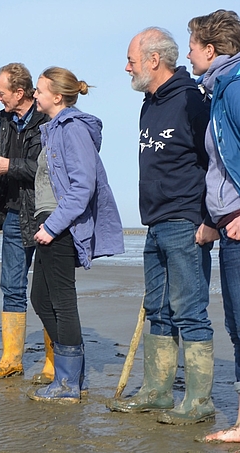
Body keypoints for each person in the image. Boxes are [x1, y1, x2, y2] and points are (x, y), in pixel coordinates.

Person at [107, 27, 214, 425]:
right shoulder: (148, 104)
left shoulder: (192, 99)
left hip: (187, 221)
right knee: (159, 310)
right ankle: (158, 392)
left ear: (154, 60)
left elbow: (213, 161)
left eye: (131, 60)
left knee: (190, 311)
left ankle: (200, 401)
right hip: (154, 222)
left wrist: (209, 220)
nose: (127, 67)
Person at [25, 67, 124, 404]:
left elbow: (84, 186)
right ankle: (74, 377)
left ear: (58, 96)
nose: (34, 95)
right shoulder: (51, 130)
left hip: (60, 224)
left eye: (38, 90)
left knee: (62, 302)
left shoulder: (73, 129)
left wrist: (52, 227)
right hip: (49, 221)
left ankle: (68, 384)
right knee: (40, 299)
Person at [0, 63, 52, 381]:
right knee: (12, 287)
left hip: (46, 213)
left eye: (1, 92)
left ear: (20, 93)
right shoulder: (5, 120)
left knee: (48, 291)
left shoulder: (48, 117)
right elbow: (7, 158)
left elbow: (49, 168)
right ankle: (11, 359)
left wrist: (10, 165)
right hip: (11, 212)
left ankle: (52, 362)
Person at [185, 10, 240, 441]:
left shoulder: (235, 88)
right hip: (227, 222)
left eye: (191, 47)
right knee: (236, 324)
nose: (187, 55)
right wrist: (214, 219)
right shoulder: (219, 89)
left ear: (211, 49)